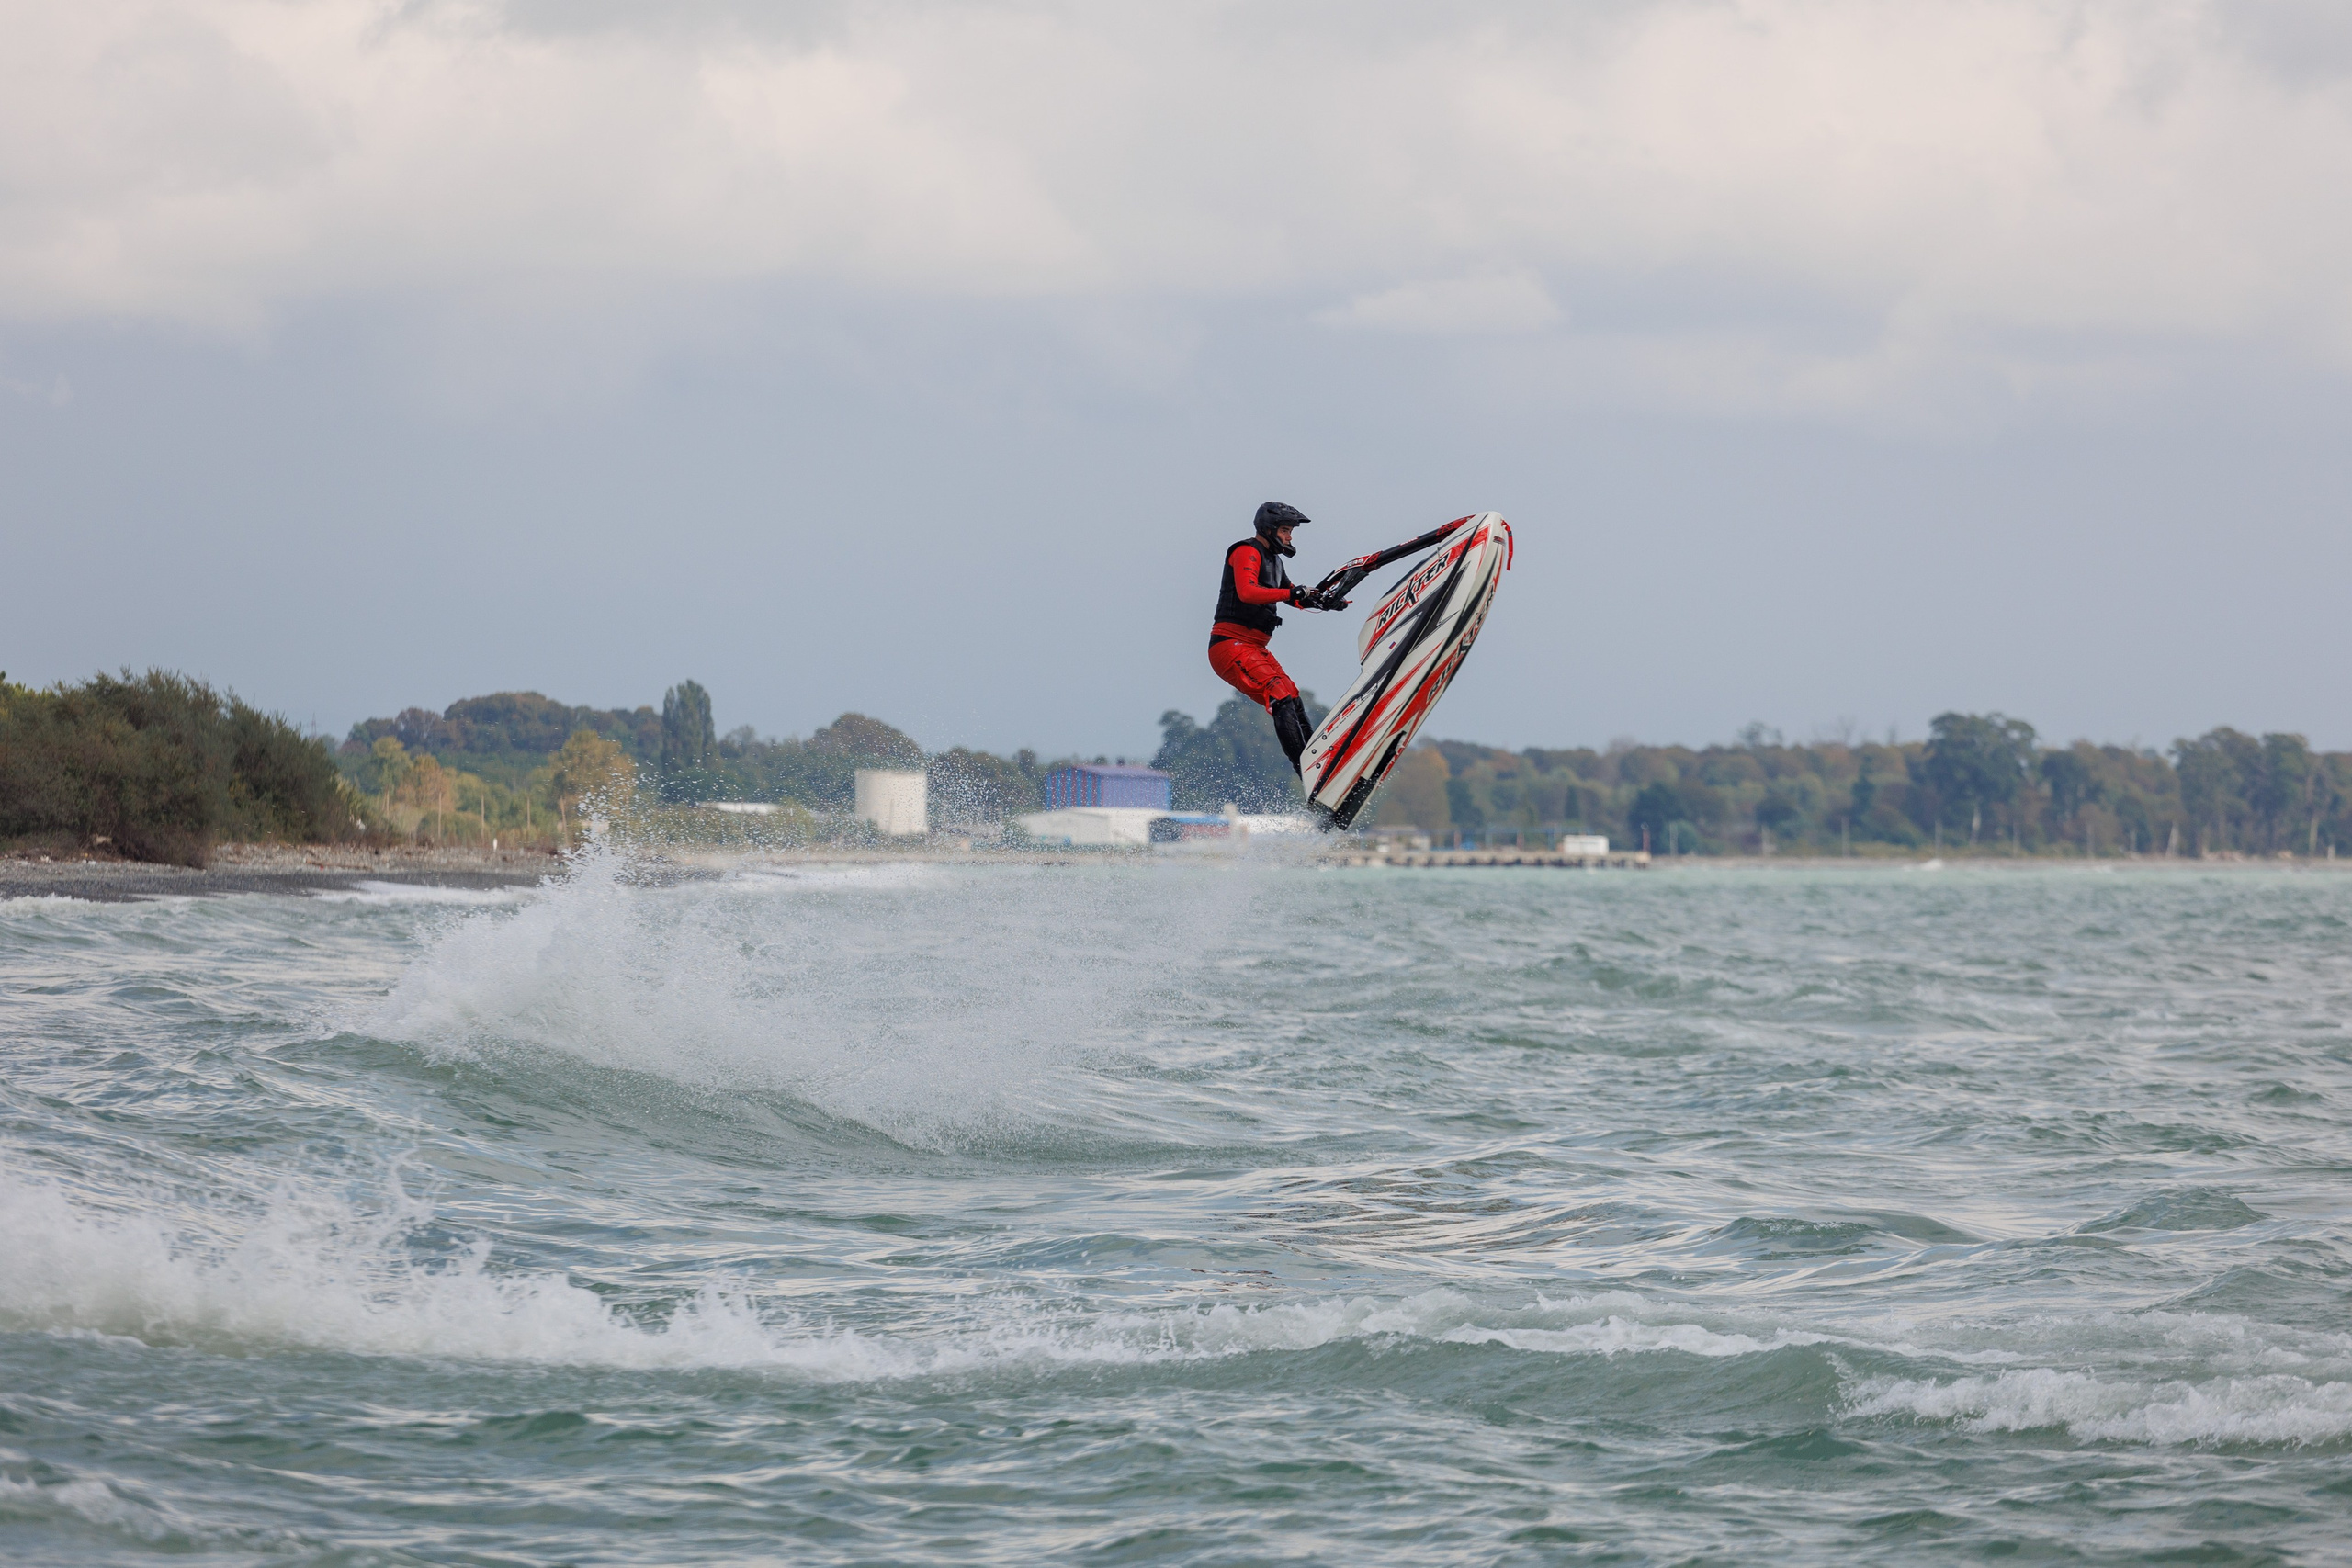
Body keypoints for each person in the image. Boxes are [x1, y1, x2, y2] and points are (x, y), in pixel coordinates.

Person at [1208, 501, 1348, 776]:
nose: (1290, 536)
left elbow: (1292, 596)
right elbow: (1248, 592)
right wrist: (1293, 594)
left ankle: (1321, 768)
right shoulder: (1247, 551)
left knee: (1293, 697)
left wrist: (1324, 602)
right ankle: (1306, 771)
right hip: (1230, 645)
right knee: (1279, 696)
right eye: (1286, 530)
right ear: (1269, 529)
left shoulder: (1275, 561)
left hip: (1254, 647)